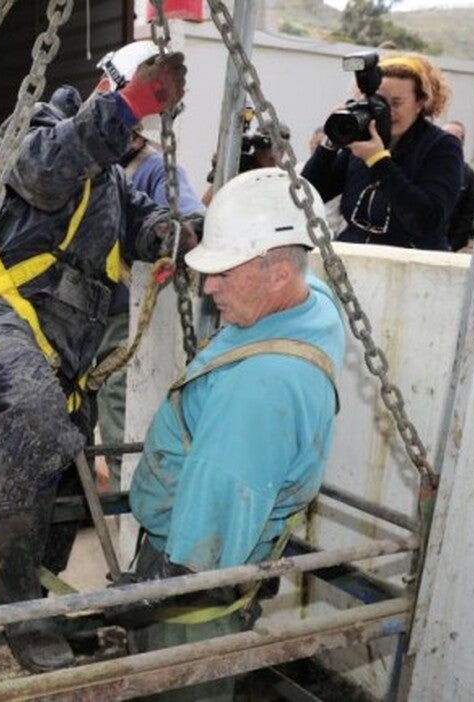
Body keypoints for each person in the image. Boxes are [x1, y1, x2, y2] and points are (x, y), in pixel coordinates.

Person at [0, 40, 193, 673]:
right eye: (137, 108)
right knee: (34, 416)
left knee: (66, 478)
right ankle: (18, 599)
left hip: (67, 353)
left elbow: (141, 228)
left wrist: (174, 232)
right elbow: (41, 176)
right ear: (112, 89)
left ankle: (42, 597)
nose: (138, 127)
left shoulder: (114, 179)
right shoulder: (38, 125)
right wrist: (134, 103)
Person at [127, 168, 344, 702]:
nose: (208, 287)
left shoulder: (259, 388)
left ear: (277, 273)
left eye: (225, 272)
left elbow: (207, 545)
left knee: (181, 687)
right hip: (238, 548)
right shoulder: (309, 303)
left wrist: (159, 591)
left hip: (193, 578)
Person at [95, 121, 206, 490]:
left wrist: (171, 232)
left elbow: (187, 217)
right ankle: (79, 483)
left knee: (116, 395)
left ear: (138, 134)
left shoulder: (156, 168)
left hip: (122, 311)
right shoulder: (92, 164)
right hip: (86, 309)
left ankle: (123, 490)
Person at [302, 52, 463, 251]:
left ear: (420, 103)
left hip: (413, 263)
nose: (387, 111)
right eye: (379, 101)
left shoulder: (442, 145)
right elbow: (309, 195)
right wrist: (332, 141)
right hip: (355, 257)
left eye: (396, 103)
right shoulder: (362, 138)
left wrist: (378, 160)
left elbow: (426, 220)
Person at [441, 120, 474, 251]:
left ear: (462, 143)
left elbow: (468, 214)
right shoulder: (425, 167)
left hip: (448, 245)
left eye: (453, 138)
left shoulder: (467, 175)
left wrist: (453, 245)